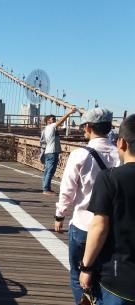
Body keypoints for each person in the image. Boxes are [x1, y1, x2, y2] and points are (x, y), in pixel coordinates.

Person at [53, 108, 120, 304]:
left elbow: (67, 190)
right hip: (110, 229)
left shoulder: (79, 155)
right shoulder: (121, 154)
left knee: (77, 275)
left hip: (83, 226)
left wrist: (60, 215)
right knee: (104, 278)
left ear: (88, 127)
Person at [79, 114, 135, 305]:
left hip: (118, 279)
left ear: (121, 142)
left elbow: (99, 227)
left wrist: (86, 268)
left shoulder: (110, 178)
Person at [40, 107, 78, 195]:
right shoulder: (51, 126)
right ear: (48, 121)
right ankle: (46, 189)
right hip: (52, 152)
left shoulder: (48, 128)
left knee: (47, 170)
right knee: (50, 170)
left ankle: (46, 188)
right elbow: (61, 121)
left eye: (54, 119)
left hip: (50, 152)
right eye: (52, 119)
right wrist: (69, 113)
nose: (54, 120)